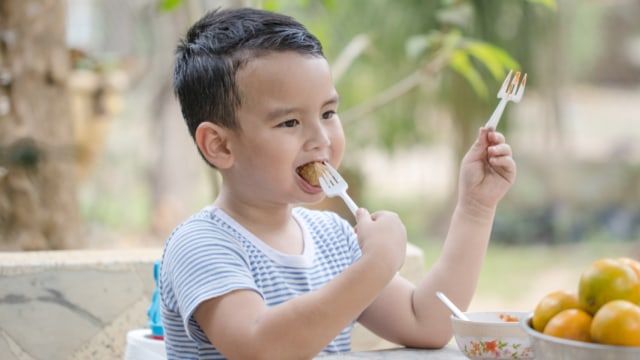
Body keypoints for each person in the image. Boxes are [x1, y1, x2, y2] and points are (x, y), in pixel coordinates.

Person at [159, 6, 517, 360]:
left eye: (328, 113)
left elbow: (428, 323)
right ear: (220, 145)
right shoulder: (200, 245)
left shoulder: (333, 239)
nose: (322, 138)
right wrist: (375, 266)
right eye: (289, 123)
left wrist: (475, 208)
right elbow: (260, 347)